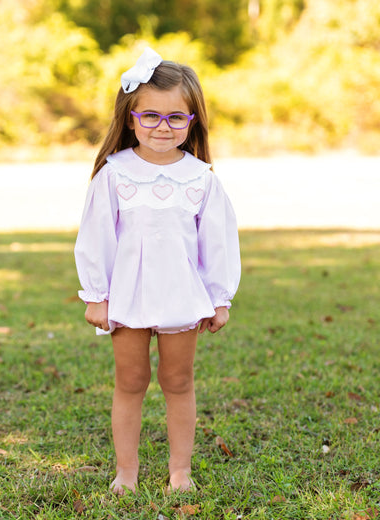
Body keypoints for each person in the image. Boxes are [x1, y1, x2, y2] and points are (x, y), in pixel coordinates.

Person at [74, 47, 241, 495]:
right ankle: (126, 471)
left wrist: (218, 296)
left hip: (182, 297)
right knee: (130, 382)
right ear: (130, 118)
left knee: (178, 381)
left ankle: (179, 471)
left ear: (192, 122)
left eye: (175, 118)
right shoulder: (114, 174)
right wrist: (96, 294)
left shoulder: (201, 178)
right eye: (150, 116)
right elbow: (96, 237)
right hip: (128, 296)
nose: (162, 127)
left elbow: (217, 243)